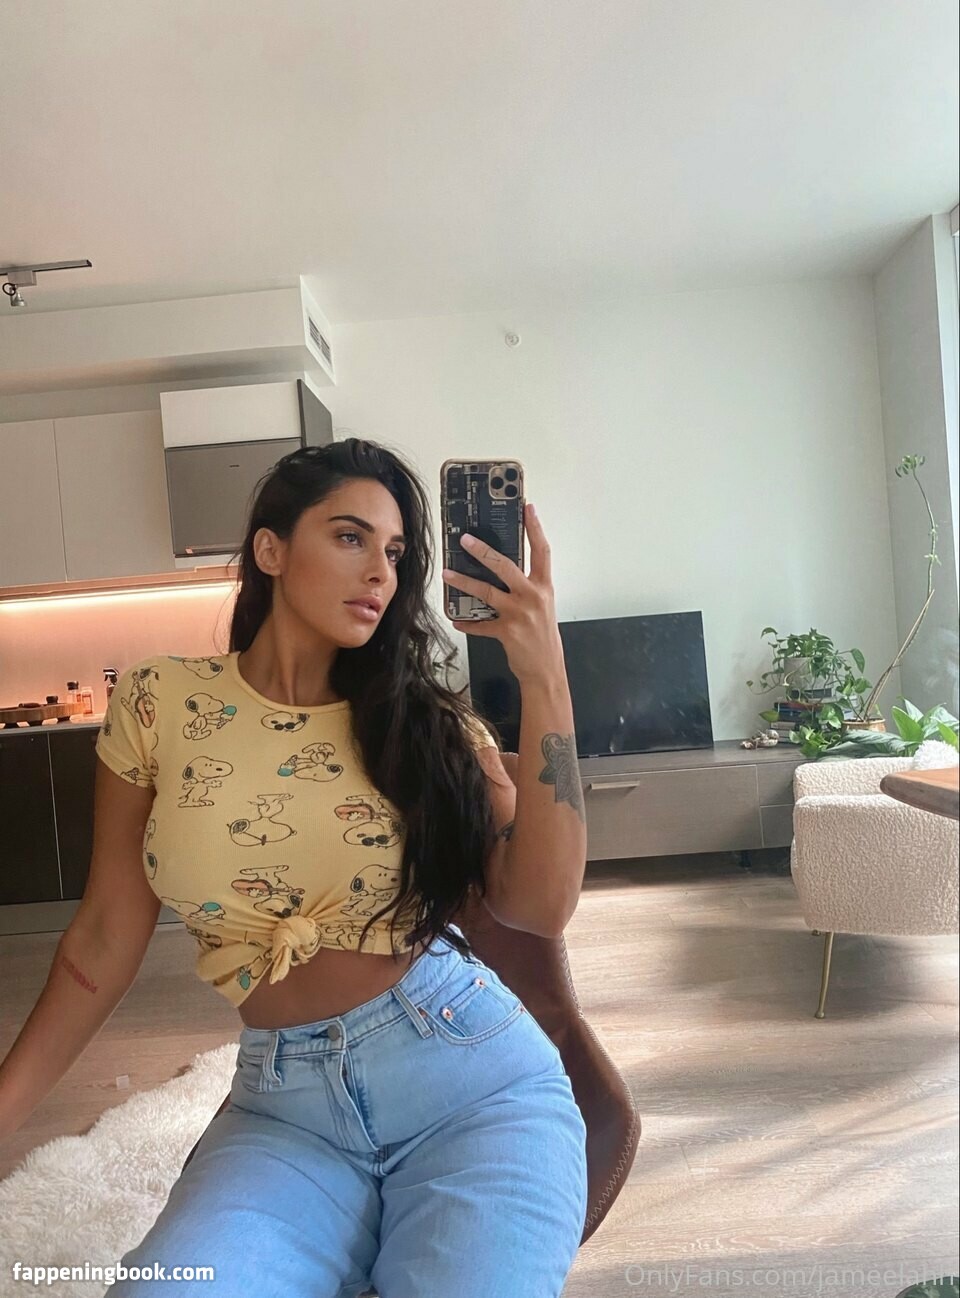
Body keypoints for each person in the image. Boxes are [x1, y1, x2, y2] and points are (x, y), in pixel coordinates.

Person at [0, 439, 589, 1297]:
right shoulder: (160, 702)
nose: (380, 572)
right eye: (350, 537)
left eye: (395, 553)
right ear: (271, 550)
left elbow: (541, 905)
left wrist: (546, 675)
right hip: (286, 1111)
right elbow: (100, 938)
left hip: (472, 1092)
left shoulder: (429, 727)